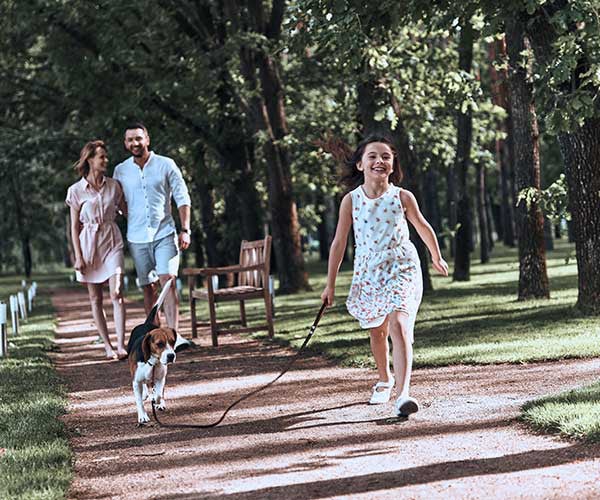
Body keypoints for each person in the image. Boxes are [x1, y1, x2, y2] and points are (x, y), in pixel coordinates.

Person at [321, 134, 448, 417]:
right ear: (360, 165)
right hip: (369, 272)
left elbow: (422, 226)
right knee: (377, 331)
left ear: (392, 165)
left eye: (386, 157)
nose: (380, 161)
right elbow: (339, 242)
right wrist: (330, 284)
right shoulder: (350, 201)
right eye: (373, 156)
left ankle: (403, 395)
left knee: (399, 324)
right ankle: (384, 379)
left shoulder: (402, 196)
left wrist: (436, 256)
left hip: (402, 266)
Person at [113, 123, 191, 330]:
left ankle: (173, 335)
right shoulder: (120, 170)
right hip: (137, 238)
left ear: (147, 139)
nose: (135, 143)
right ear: (125, 143)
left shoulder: (166, 164)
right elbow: (117, 201)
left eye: (138, 138)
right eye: (130, 140)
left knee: (168, 281)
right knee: (148, 288)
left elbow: (182, 197)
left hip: (164, 233)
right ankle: (155, 334)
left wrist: (185, 229)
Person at [66, 140, 128, 360]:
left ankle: (121, 345)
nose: (105, 160)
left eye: (105, 156)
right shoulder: (76, 191)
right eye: (101, 156)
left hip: (112, 241)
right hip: (88, 245)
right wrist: (78, 256)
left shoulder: (114, 186)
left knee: (117, 292)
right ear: (90, 160)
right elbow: (74, 227)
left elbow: (127, 212)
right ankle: (108, 346)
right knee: (95, 298)